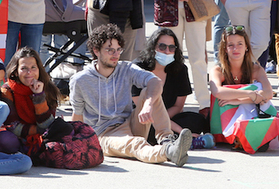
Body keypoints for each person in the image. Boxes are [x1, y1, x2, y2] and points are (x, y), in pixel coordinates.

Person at [70, 24, 192, 165]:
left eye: (118, 50)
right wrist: (76, 144)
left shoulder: (126, 68)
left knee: (149, 90)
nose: (115, 55)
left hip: (131, 123)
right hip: (104, 134)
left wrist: (148, 104)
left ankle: (166, 139)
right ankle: (169, 152)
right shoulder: (80, 80)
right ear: (96, 51)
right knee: (136, 144)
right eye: (110, 50)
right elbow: (77, 116)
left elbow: (155, 82)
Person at [132, 29, 214, 148]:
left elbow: (178, 106)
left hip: (168, 116)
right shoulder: (138, 67)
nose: (167, 51)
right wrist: (181, 131)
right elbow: (139, 107)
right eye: (162, 46)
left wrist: (164, 121)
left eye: (171, 47)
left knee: (197, 120)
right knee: (149, 128)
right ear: (153, 47)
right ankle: (180, 139)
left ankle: (175, 139)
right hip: (143, 119)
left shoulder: (180, 69)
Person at [209, 25, 275, 112]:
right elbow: (217, 91)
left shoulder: (256, 69)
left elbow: (268, 93)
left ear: (246, 47)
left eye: (240, 44)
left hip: (249, 116)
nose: (235, 49)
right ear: (225, 49)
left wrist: (239, 101)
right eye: (231, 45)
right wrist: (250, 94)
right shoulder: (217, 70)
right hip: (223, 115)